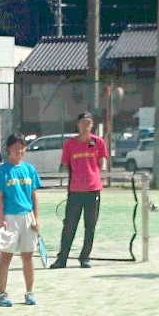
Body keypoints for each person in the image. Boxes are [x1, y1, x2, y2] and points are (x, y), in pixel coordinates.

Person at [51, 112, 108, 269]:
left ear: (92, 125)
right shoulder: (70, 144)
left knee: (90, 225)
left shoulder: (97, 142)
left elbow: (101, 162)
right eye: (83, 122)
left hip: (93, 190)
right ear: (78, 124)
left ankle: (85, 257)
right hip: (75, 191)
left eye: (88, 122)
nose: (85, 125)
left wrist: (93, 175)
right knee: (69, 225)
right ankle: (62, 258)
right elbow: (65, 165)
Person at [0, 134, 42, 307]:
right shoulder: (2, 171)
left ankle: (29, 292)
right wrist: (2, 220)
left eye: (22, 148)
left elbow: (34, 195)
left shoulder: (29, 169)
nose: (19, 151)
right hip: (9, 217)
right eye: (15, 148)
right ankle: (2, 294)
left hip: (27, 216)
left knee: (27, 256)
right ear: (8, 150)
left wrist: (36, 218)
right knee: (5, 257)